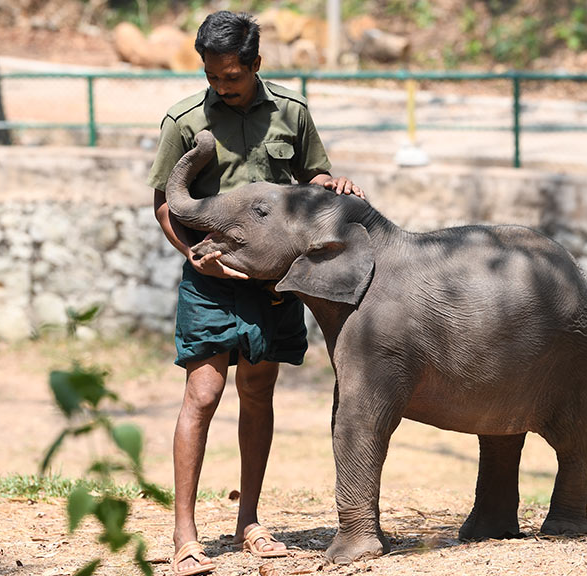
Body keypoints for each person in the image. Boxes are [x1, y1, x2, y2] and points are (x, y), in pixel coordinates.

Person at [147, 10, 363, 576]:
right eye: (213, 76)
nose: (221, 86)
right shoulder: (185, 122)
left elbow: (313, 178)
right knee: (203, 393)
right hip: (211, 277)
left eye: (232, 77)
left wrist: (330, 185)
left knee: (258, 390)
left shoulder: (292, 113)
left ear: (256, 65)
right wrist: (193, 255)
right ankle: (184, 535)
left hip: (272, 280)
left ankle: (251, 524)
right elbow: (166, 205)